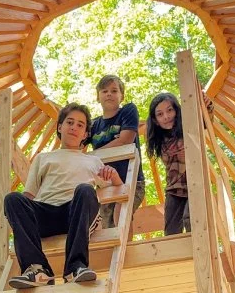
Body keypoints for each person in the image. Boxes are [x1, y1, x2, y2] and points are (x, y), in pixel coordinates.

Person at [4, 103, 122, 288]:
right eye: (70, 122)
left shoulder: (93, 161)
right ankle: (37, 270)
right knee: (12, 199)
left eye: (80, 125)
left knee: (85, 189)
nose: (74, 127)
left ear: (85, 134)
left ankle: (76, 267)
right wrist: (20, 222)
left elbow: (118, 189)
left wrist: (113, 175)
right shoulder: (43, 158)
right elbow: (28, 195)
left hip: (76, 214)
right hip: (45, 215)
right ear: (60, 127)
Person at [145, 91, 213, 236]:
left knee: (191, 219)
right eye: (160, 114)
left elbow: (204, 121)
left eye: (170, 110)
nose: (166, 116)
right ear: (155, 120)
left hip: (194, 182)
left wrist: (206, 105)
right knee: (171, 230)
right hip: (173, 189)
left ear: (177, 110)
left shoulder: (188, 128)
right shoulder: (160, 140)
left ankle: (198, 252)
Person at [90, 74, 145, 229]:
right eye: (104, 91)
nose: (109, 94)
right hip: (105, 184)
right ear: (98, 96)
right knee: (106, 227)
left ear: (121, 96)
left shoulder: (128, 111)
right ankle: (113, 254)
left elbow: (126, 139)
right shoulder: (93, 125)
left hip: (131, 180)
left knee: (121, 216)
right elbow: (77, 148)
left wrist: (94, 155)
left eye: (114, 91)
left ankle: (128, 253)